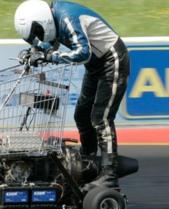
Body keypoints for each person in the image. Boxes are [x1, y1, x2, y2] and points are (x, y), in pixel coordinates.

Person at [14, 0, 130, 191]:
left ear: (42, 22)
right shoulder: (53, 18)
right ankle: (90, 163)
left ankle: (109, 176)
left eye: (37, 34)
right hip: (96, 65)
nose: (38, 38)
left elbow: (83, 53)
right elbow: (50, 43)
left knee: (100, 119)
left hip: (112, 61)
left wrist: (50, 56)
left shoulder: (67, 18)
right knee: (81, 115)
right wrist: (34, 52)